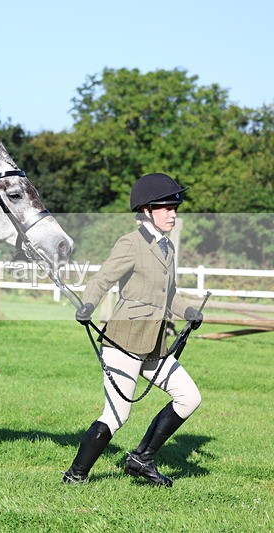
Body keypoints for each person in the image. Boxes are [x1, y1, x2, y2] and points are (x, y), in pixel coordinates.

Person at [62, 173, 204, 487]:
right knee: (117, 415)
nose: (173, 213)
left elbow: (169, 295)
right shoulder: (131, 243)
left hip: (155, 344)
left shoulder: (167, 248)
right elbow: (101, 280)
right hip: (124, 342)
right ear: (146, 211)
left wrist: (189, 311)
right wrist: (88, 305)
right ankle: (75, 476)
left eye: (174, 207)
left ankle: (142, 458)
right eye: (166, 207)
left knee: (189, 397)